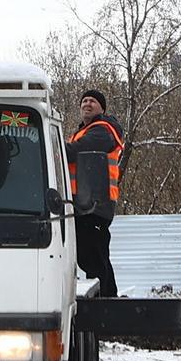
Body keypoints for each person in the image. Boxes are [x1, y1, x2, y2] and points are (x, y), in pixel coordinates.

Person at [67, 89, 123, 297]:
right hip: (84, 204)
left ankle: (105, 304)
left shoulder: (102, 130)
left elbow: (75, 152)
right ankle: (108, 301)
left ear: (102, 108)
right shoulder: (84, 132)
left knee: (94, 258)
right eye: (84, 100)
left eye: (92, 101)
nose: (87, 104)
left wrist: (53, 149)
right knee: (94, 256)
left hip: (95, 204)